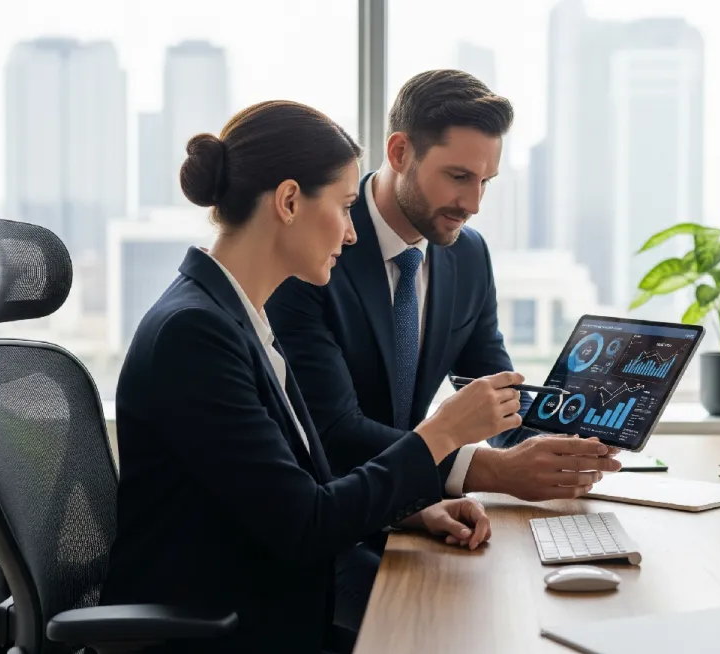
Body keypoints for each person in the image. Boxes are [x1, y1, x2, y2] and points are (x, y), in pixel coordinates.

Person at [100, 100, 525, 654]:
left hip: (267, 601)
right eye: (346, 207)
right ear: (290, 201)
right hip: (233, 628)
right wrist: (441, 433)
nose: (351, 234)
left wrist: (417, 508)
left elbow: (305, 486)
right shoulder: (195, 334)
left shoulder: (236, 317)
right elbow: (306, 526)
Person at [264, 68, 621, 629]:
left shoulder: (466, 255)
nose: (473, 203)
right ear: (400, 151)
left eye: (487, 182)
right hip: (339, 539)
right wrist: (495, 470)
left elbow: (494, 384)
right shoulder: (315, 245)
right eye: (458, 176)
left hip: (412, 516)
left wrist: (558, 446)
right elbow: (334, 432)